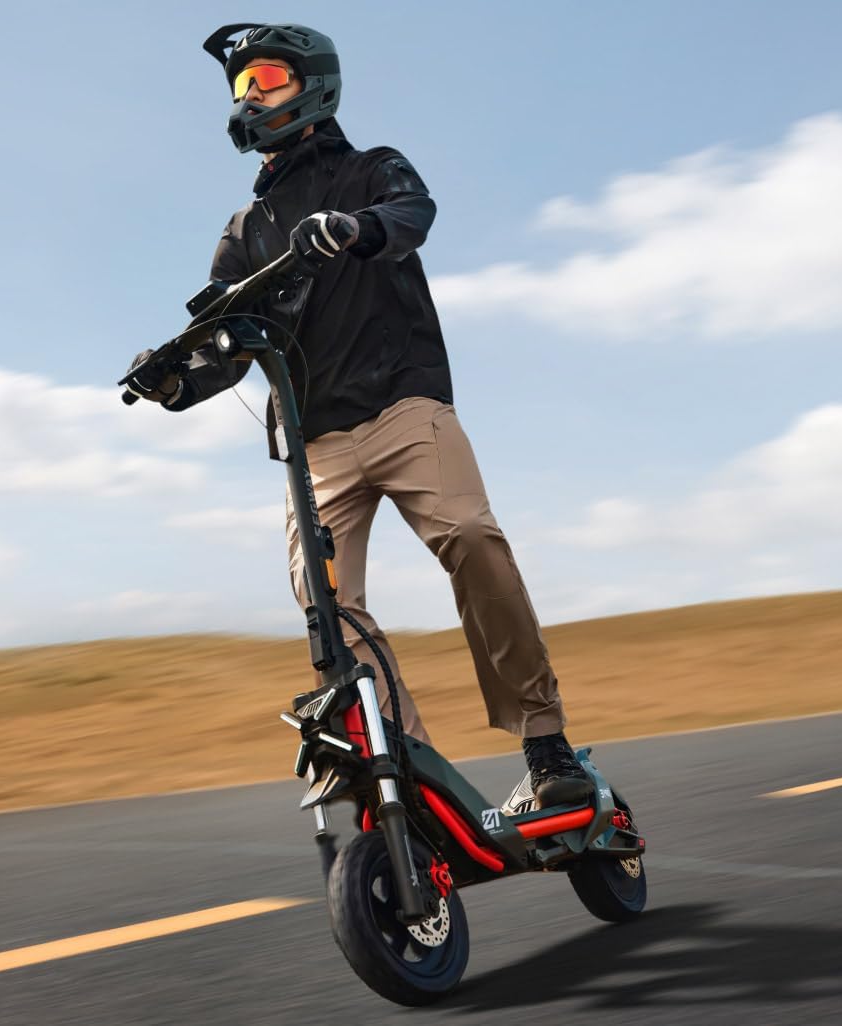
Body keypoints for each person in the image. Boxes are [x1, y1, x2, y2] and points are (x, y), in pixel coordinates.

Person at [127, 23, 593, 810]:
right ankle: (403, 763)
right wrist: (176, 380)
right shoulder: (243, 232)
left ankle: (547, 746)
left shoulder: (371, 170)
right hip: (315, 448)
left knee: (471, 537)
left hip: (403, 407)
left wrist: (357, 228)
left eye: (264, 78)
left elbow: (413, 212)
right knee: (324, 604)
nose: (251, 96)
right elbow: (230, 344)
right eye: (241, 88)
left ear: (312, 83)